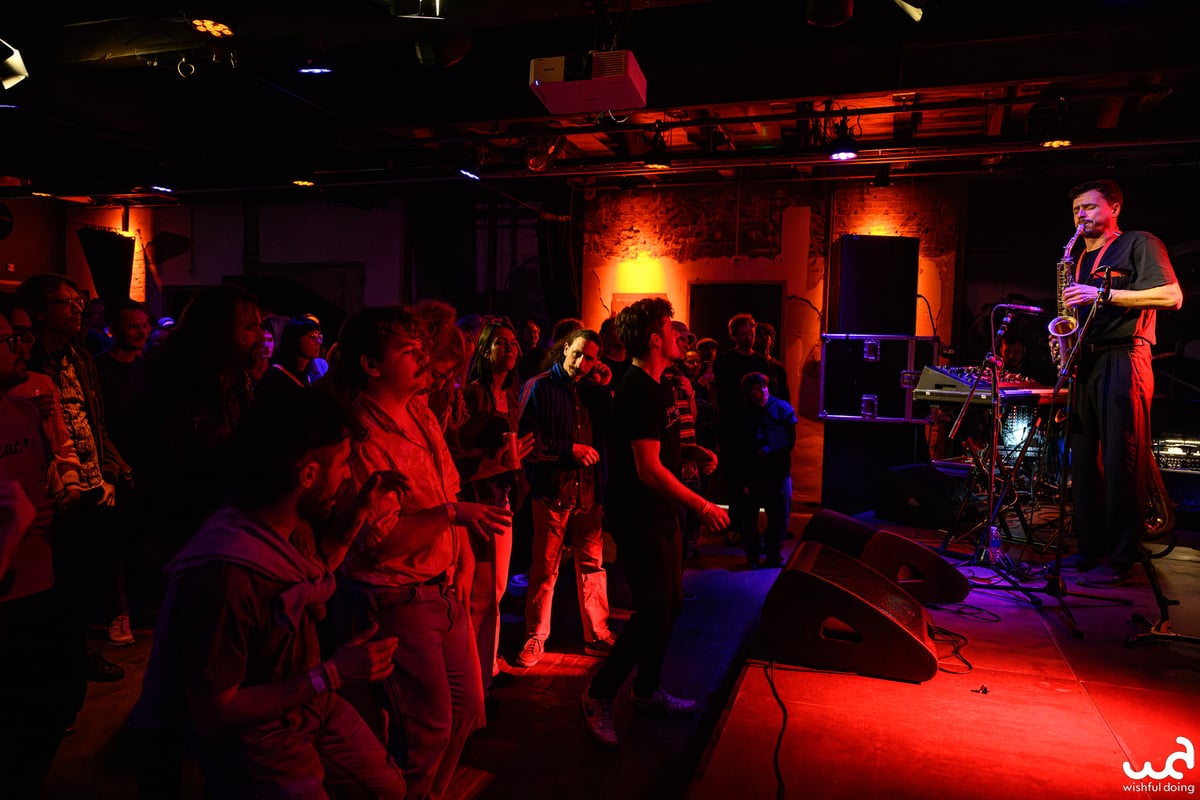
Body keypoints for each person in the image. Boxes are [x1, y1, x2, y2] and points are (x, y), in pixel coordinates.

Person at [129, 389, 408, 799]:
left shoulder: (284, 524)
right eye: (343, 464)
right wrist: (332, 673)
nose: (349, 477)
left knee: (388, 787)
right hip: (259, 734)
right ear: (307, 475)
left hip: (309, 702)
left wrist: (363, 508)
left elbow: (315, 567)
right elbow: (214, 711)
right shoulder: (226, 577)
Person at [329, 305, 508, 800]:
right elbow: (379, 542)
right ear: (371, 365)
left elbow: (450, 490)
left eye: (422, 350)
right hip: (395, 596)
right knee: (426, 730)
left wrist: (462, 561)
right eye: (409, 352)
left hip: (439, 590)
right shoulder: (362, 434)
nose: (423, 361)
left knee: (467, 711)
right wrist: (451, 517)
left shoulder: (421, 414)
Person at [581, 298, 729, 748]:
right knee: (652, 611)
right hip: (639, 515)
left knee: (670, 605)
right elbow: (646, 470)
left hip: (661, 514)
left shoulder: (659, 385)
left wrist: (690, 452)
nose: (678, 334)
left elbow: (657, 451)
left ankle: (646, 692)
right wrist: (703, 506)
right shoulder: (637, 390)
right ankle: (598, 694)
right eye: (670, 326)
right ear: (653, 338)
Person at [1057, 179, 1182, 587]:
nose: (1081, 215)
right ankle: (1089, 548)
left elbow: (1172, 296)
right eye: (1076, 209)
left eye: (1090, 207)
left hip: (1125, 356)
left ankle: (1122, 556)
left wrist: (1103, 295)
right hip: (1087, 361)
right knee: (1083, 461)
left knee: (1120, 458)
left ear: (1114, 208)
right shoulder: (1077, 260)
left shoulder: (1138, 242)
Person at [0, 299, 87, 800]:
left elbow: (51, 460)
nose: (22, 346)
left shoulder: (25, 409)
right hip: (7, 583)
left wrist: (61, 490)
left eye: (23, 336)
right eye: (9, 339)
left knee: (58, 694)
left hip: (41, 573)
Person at [515, 328, 615, 668]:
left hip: (587, 491)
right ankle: (535, 635)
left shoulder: (591, 389)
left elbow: (611, 429)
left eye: (590, 358)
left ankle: (597, 632)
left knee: (592, 566)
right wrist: (567, 450)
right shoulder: (540, 386)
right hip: (552, 491)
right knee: (545, 567)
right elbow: (527, 442)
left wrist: (604, 386)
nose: (582, 362)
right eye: (578, 354)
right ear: (565, 348)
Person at [454, 320, 534, 703]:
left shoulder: (512, 395)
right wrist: (496, 461)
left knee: (497, 588)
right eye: (501, 343)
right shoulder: (475, 394)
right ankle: (474, 678)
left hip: (502, 495)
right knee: (480, 593)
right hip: (478, 497)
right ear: (485, 351)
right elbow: (459, 454)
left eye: (514, 343)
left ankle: (487, 667)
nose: (510, 348)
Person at [730, 372, 797, 569]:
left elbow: (790, 439)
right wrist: (743, 478)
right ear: (748, 392)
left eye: (765, 387)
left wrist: (770, 448)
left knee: (779, 517)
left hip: (779, 473)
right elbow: (739, 449)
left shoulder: (781, 408)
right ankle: (753, 556)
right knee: (749, 518)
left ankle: (773, 554)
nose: (763, 391)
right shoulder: (744, 414)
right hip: (755, 474)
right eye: (757, 388)